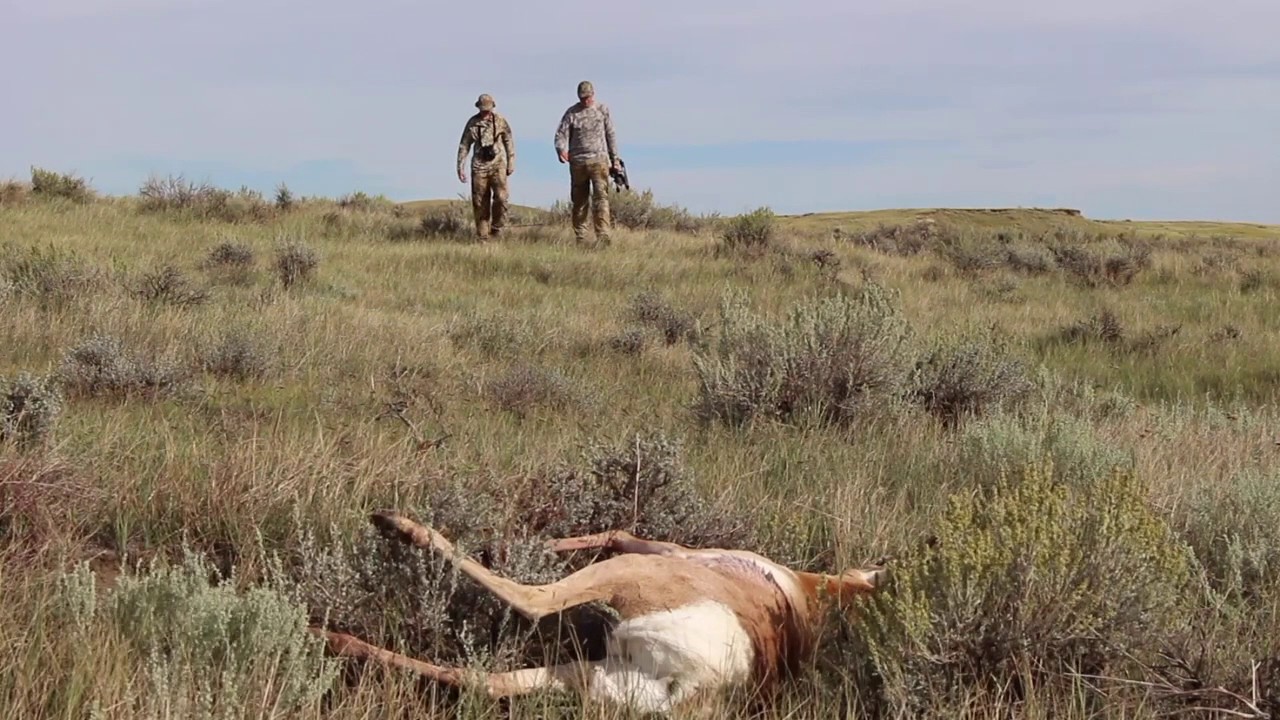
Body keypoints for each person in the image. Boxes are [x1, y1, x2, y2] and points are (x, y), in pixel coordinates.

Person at [554, 81, 621, 246]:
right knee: (579, 201)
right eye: (583, 97)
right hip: (578, 163)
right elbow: (560, 134)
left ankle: (603, 237)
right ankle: (581, 237)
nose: (586, 100)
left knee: (601, 198)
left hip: (599, 161)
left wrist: (615, 159)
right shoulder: (571, 113)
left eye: (588, 97)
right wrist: (561, 150)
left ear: (593, 94)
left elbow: (611, 134)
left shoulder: (602, 110)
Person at [457, 93, 516, 240]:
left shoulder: (500, 121)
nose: (485, 112)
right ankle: (483, 237)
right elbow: (464, 145)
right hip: (479, 167)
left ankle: (497, 228)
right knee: (480, 202)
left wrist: (511, 162)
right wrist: (460, 167)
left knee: (501, 198)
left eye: (487, 109)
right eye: (483, 109)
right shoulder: (472, 123)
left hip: (498, 164)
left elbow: (508, 140)